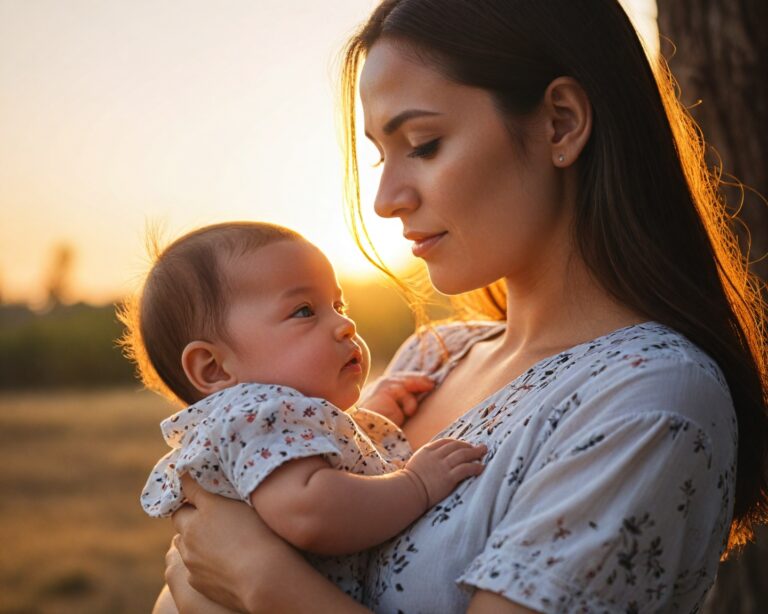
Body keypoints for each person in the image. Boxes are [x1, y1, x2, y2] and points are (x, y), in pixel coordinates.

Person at [162, 0, 768, 612]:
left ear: (560, 123)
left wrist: (257, 578)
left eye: (423, 145)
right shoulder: (433, 358)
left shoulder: (649, 401)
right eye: (381, 155)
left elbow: (229, 567)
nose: (386, 199)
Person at [118, 221, 486, 610]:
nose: (345, 325)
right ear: (213, 368)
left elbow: (309, 454)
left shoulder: (266, 420)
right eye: (304, 311)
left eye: (339, 305)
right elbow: (310, 511)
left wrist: (364, 420)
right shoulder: (252, 416)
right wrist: (416, 484)